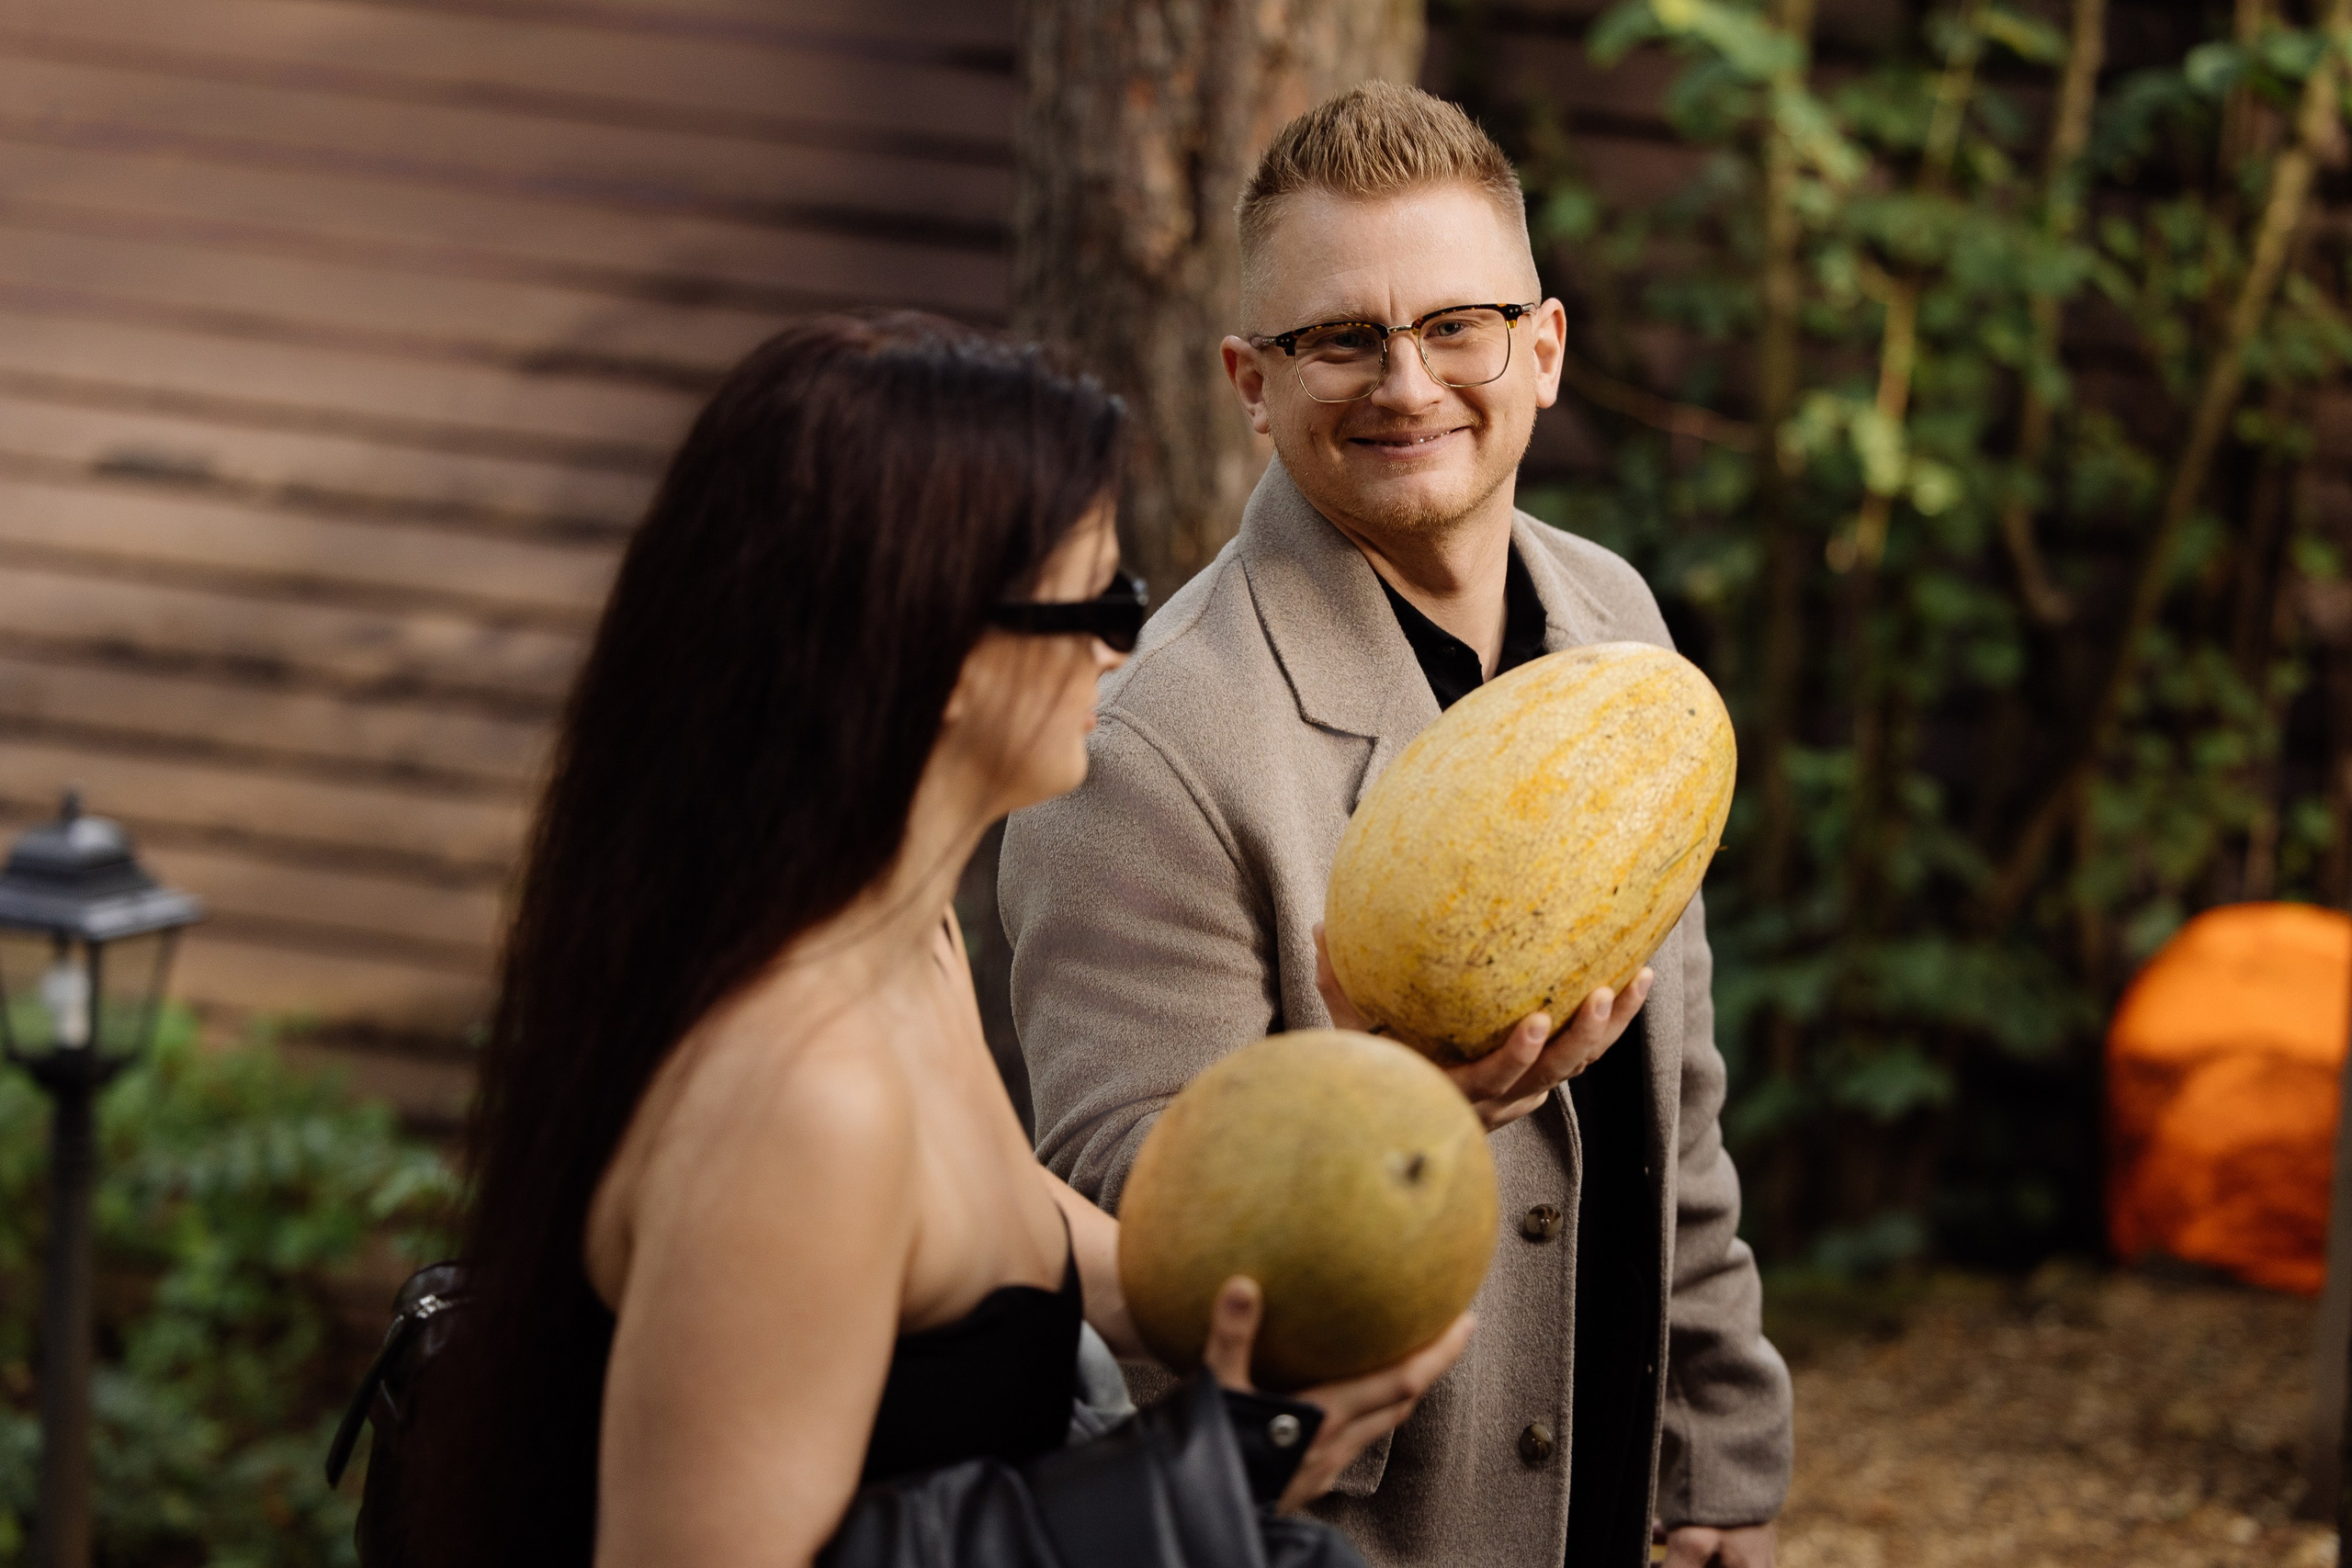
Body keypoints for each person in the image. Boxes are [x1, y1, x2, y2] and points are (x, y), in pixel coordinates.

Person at [389, 312, 1470, 1568]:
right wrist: (1199, 1486)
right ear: (945, 646)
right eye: (1098, 598)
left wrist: (1325, 1244)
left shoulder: (903, 946)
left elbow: (1023, 1239)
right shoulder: (804, 1096)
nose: (1124, 644)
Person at [1000, 84, 1793, 1568]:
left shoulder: (1617, 630)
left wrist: (1717, 1457)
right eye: (1340, 339)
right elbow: (1141, 1224)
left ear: (1540, 350)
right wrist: (1392, 1102)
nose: (1407, 383)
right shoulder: (1150, 742)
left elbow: (1678, 1103)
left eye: (1455, 327)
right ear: (1251, 379)